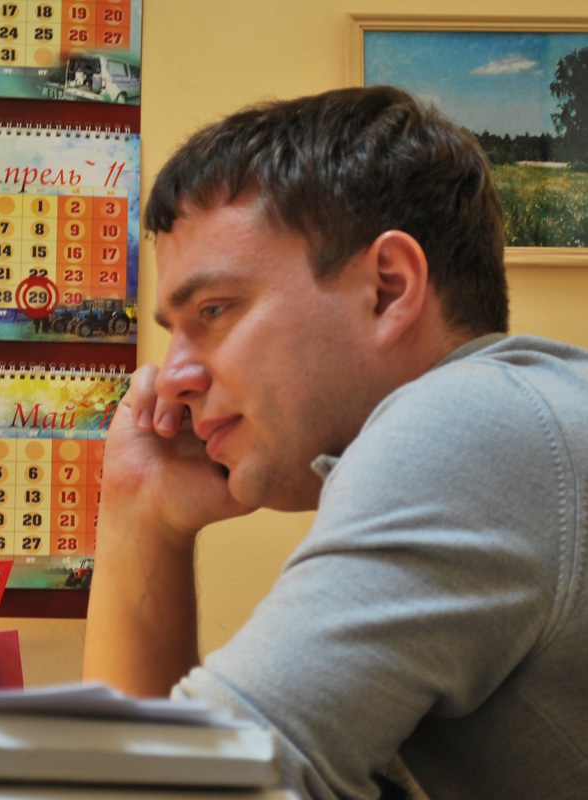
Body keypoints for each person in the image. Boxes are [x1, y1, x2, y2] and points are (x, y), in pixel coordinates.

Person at [83, 86, 588, 799]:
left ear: (388, 289)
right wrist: (141, 514)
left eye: (214, 310)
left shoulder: (473, 424)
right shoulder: (522, 420)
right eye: (175, 333)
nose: (172, 379)